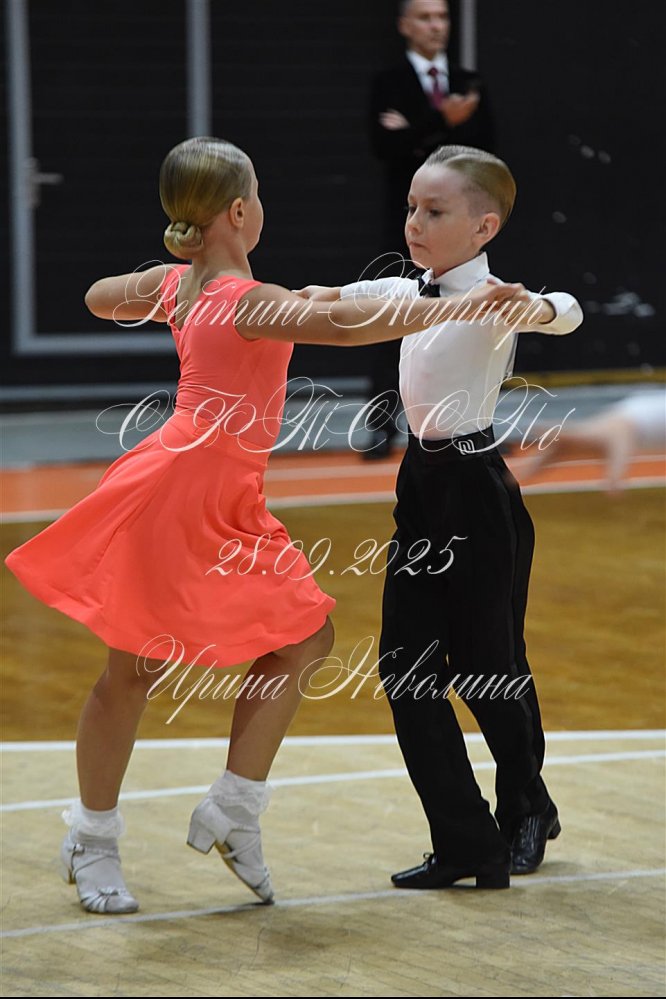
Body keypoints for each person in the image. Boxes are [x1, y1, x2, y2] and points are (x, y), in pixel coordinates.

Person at [3, 137, 523, 916]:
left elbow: (98, 297)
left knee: (305, 635)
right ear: (242, 212)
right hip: (176, 492)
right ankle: (92, 837)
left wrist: (158, 283)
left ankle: (234, 808)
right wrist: (457, 304)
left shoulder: (185, 285)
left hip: (226, 495)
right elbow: (342, 326)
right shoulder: (244, 299)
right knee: (135, 668)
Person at [298, 144, 584, 889]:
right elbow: (334, 298)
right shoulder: (406, 290)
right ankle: (466, 843)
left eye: (434, 211)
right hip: (421, 486)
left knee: (490, 668)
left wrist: (535, 307)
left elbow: (565, 311)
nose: (415, 222)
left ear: (484, 227)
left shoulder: (491, 300)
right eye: (411, 208)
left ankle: (527, 806)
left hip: (477, 490)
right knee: (406, 671)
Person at [364, 0, 496, 459]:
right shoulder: (388, 82)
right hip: (407, 225)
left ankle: (476, 422)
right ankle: (382, 425)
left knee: (474, 321)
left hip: (460, 232)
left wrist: (417, 132)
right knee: (392, 317)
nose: (436, 25)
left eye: (441, 17)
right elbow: (386, 147)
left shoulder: (468, 82)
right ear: (405, 25)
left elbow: (481, 155)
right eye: (425, 17)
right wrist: (442, 122)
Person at [519, 388, 666, 493]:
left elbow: (623, 430)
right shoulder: (614, 429)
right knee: (583, 440)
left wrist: (615, 473)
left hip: (623, 425)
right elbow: (622, 430)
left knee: (581, 440)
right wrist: (615, 473)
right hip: (623, 425)